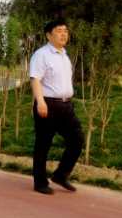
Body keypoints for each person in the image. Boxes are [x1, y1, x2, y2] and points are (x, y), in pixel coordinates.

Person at [29, 19, 84, 195]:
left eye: (65, 31)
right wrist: (40, 101)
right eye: (59, 31)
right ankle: (40, 182)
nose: (63, 34)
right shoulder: (41, 55)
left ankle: (61, 175)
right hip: (48, 104)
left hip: (66, 106)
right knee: (43, 144)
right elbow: (35, 79)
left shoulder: (64, 56)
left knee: (77, 140)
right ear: (48, 35)